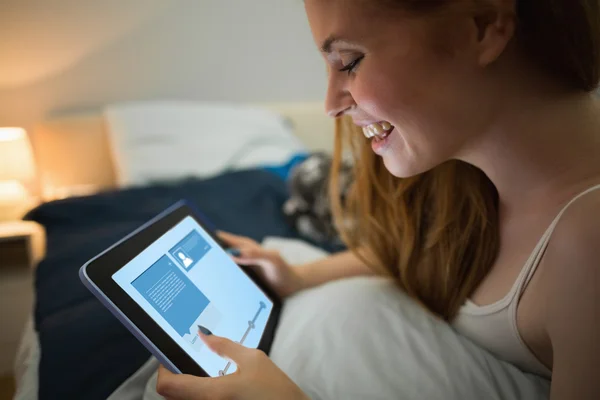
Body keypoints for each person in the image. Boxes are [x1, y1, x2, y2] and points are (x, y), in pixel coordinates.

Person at [157, 0, 600, 399]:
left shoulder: (588, 243)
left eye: (349, 62)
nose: (330, 104)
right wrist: (302, 276)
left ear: (481, 28)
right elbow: (426, 253)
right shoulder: (474, 180)